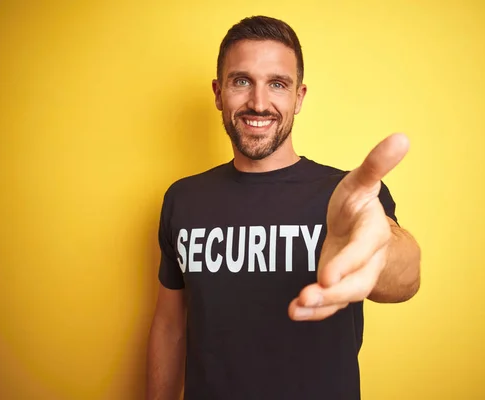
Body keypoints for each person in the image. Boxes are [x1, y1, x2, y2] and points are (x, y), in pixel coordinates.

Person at [146, 15, 421, 400]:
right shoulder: (183, 199)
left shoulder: (348, 196)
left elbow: (406, 278)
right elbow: (170, 325)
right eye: (242, 81)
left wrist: (377, 254)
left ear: (299, 97)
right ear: (218, 92)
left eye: (278, 84)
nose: (259, 103)